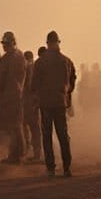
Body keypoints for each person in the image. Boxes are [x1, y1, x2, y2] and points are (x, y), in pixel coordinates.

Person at [32, 31, 77, 178]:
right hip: (59, 102)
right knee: (63, 135)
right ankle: (67, 168)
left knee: (47, 136)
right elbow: (72, 82)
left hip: (46, 104)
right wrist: (65, 95)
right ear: (58, 43)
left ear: (48, 43)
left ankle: (51, 168)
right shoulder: (67, 61)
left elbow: (34, 85)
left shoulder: (40, 62)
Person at [0, 31, 26, 165]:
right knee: (17, 125)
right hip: (17, 95)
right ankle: (19, 153)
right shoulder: (20, 56)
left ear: (12, 43)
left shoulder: (8, 59)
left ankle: (14, 156)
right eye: (4, 44)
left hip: (10, 96)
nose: (4, 46)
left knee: (12, 126)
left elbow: (1, 79)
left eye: (6, 43)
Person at [21, 49, 41, 162]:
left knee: (26, 126)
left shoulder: (27, 68)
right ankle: (37, 152)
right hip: (35, 101)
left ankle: (28, 149)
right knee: (35, 128)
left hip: (27, 101)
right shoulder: (37, 67)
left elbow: (26, 85)